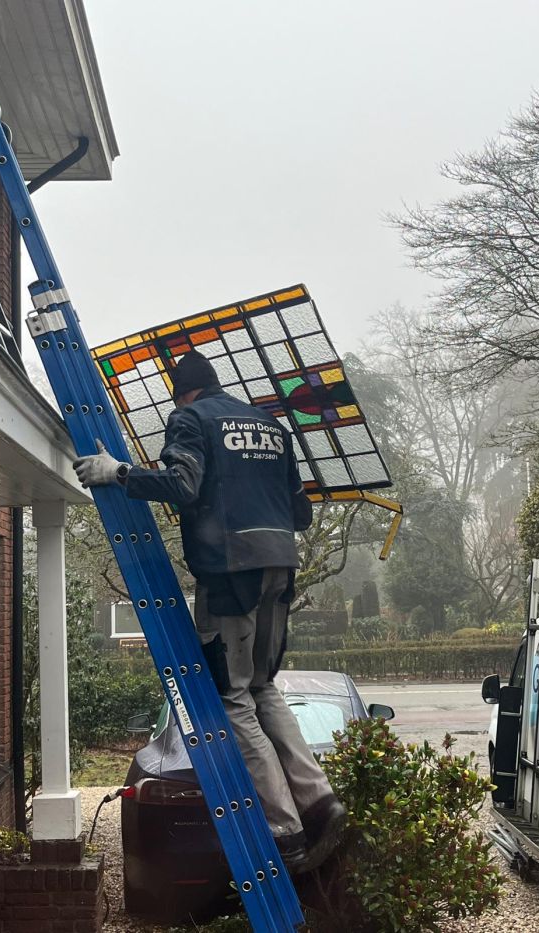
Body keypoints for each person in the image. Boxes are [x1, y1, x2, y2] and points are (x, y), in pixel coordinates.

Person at [73, 350, 345, 873]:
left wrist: (118, 472)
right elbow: (302, 513)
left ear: (183, 393)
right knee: (263, 686)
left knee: (232, 695)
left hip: (230, 572)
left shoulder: (190, 418)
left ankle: (284, 831)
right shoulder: (270, 425)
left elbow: (182, 485)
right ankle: (320, 802)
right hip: (280, 566)